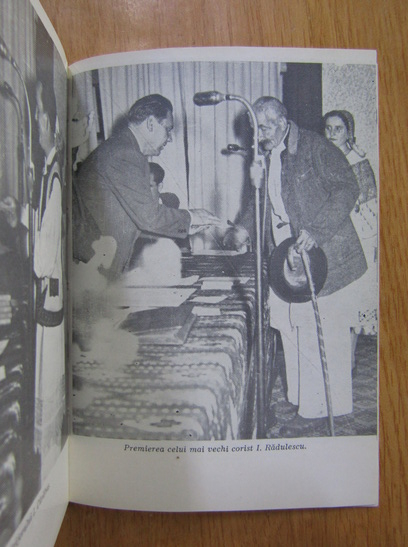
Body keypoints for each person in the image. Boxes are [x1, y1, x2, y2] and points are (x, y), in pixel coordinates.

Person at [225, 97, 367, 437]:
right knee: (292, 327)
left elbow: (348, 187)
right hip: (289, 260)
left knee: (322, 334)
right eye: (256, 129)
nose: (260, 135)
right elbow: (260, 202)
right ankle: (304, 401)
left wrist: (315, 231)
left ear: (283, 121)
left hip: (326, 257)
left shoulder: (314, 147)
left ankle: (320, 410)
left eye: (265, 128)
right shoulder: (265, 154)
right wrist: (242, 228)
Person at [73, 94, 219, 280]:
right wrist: (191, 216)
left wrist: (188, 227)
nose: (169, 138)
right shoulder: (125, 153)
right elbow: (149, 217)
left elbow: (132, 219)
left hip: (97, 264)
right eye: (167, 129)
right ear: (150, 123)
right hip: (92, 268)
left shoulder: (121, 148)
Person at [32, 80, 65, 481]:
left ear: (50, 123)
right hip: (52, 295)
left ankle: (50, 477)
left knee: (49, 387)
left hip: (51, 298)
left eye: (40, 113)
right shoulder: (50, 172)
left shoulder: (54, 177)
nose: (37, 121)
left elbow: (43, 257)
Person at [323, 110, 378, 350]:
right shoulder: (323, 159)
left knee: (353, 302)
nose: (332, 133)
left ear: (349, 132)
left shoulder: (358, 163)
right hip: (331, 238)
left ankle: (350, 358)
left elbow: (370, 208)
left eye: (338, 129)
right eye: (328, 128)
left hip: (358, 239)